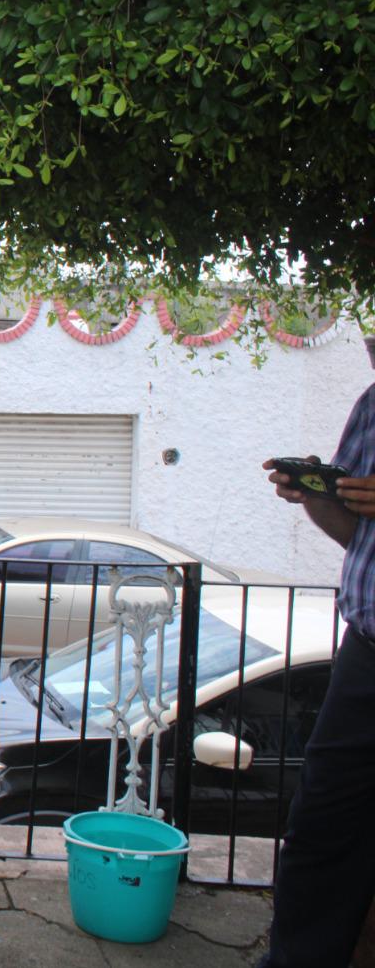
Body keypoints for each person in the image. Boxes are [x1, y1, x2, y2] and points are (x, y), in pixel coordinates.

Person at [260, 370, 375, 967]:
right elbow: (357, 535)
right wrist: (319, 496)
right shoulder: (373, 402)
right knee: (323, 822)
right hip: (368, 652)